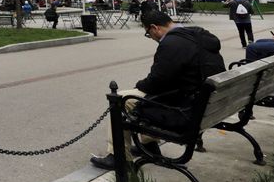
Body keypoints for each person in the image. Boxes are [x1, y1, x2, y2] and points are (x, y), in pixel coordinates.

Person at [90, 10, 225, 170]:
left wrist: (139, 85)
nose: (152, 38)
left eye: (149, 33)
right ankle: (149, 146)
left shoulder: (171, 43)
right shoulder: (200, 35)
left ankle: (119, 157)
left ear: (155, 28)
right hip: (208, 103)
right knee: (147, 97)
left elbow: (157, 81)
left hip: (186, 110)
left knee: (120, 99)